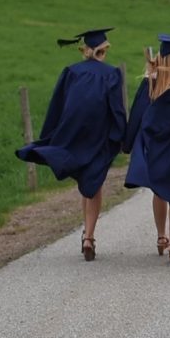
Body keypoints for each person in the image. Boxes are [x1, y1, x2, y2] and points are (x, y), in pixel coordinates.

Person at [16, 28, 126, 261]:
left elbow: (58, 104)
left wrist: (51, 137)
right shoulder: (112, 74)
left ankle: (87, 233)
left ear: (84, 50)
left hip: (73, 136)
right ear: (103, 50)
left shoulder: (71, 71)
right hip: (98, 137)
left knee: (86, 183)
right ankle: (89, 236)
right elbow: (116, 108)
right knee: (94, 184)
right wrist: (120, 136)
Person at [123, 34, 170, 264]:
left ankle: (160, 236)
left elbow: (137, 115)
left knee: (158, 190)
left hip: (152, 144)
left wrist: (128, 144)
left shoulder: (150, 81)